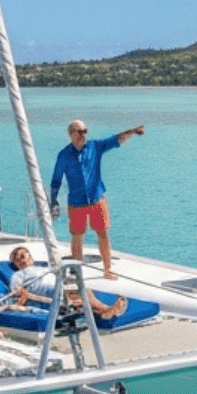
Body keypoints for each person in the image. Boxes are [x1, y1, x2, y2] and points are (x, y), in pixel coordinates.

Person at [48, 119, 144, 279]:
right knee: (77, 237)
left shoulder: (95, 147)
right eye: (80, 131)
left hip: (97, 200)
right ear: (71, 134)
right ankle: (77, 273)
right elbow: (56, 179)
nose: (84, 134)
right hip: (76, 203)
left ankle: (107, 270)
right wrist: (53, 200)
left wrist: (133, 131)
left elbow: (115, 140)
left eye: (85, 131)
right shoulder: (64, 155)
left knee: (103, 234)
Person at [1, 246, 125, 320]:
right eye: (16, 259)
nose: (20, 259)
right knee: (79, 294)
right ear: (15, 264)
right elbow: (20, 295)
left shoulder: (42, 268)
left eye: (23, 255)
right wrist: (38, 300)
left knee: (83, 290)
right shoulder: (17, 275)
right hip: (50, 293)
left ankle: (104, 311)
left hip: (61, 287)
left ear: (30, 257)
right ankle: (105, 310)